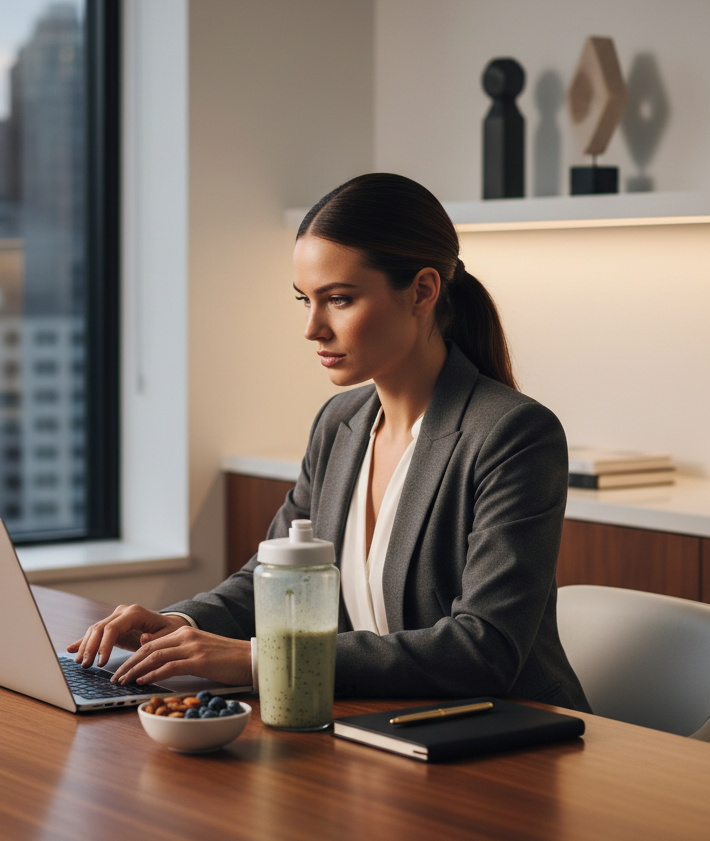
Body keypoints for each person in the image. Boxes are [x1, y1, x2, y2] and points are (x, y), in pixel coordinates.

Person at [69, 173, 590, 711]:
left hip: (510, 737)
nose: (313, 327)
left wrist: (258, 658)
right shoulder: (340, 423)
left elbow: (484, 649)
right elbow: (273, 576)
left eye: (338, 299)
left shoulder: (513, 435)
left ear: (423, 291)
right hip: (386, 725)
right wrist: (180, 623)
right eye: (305, 300)